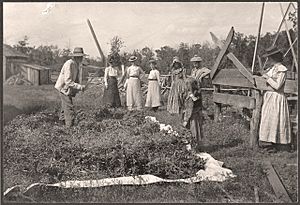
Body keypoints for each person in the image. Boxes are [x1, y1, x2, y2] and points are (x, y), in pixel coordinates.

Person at [259, 46, 291, 152]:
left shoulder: (282, 70)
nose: (268, 60)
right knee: (268, 119)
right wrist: (261, 75)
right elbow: (265, 77)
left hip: (277, 97)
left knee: (276, 120)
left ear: (274, 57)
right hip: (269, 97)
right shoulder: (272, 69)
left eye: (269, 57)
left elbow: (277, 86)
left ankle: (280, 144)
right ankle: (268, 143)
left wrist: (267, 78)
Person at [54, 47, 86, 127]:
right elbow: (68, 81)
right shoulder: (69, 64)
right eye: (80, 57)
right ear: (76, 57)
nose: (82, 58)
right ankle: (69, 127)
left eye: (82, 57)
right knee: (69, 107)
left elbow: (76, 79)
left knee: (64, 107)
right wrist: (80, 87)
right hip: (63, 88)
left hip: (67, 89)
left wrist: (79, 87)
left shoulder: (76, 64)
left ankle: (61, 124)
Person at [179, 77, 204, 151]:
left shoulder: (191, 96)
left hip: (192, 116)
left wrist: (186, 120)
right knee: (196, 130)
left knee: (192, 131)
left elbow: (190, 108)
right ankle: (195, 146)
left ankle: (193, 147)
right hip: (196, 114)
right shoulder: (197, 93)